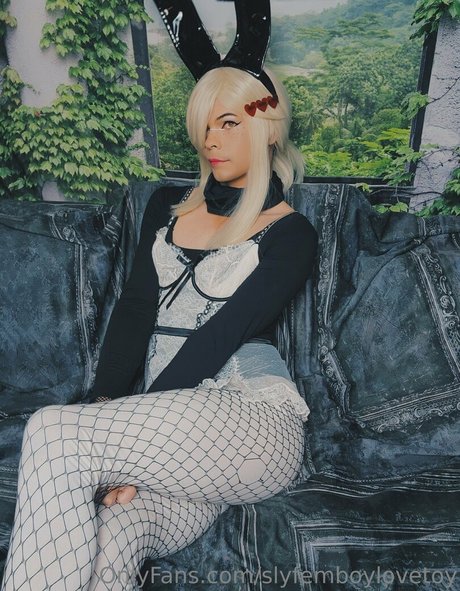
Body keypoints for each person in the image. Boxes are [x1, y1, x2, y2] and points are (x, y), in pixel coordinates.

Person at [1, 4, 318, 591]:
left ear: (268, 127)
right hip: (167, 441)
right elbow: (133, 314)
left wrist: (118, 448)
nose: (210, 139)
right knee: (109, 542)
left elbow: (221, 334)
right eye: (204, 124)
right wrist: (112, 420)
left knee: (53, 431)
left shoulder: (291, 233)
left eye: (229, 123)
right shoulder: (164, 208)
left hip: (250, 425)